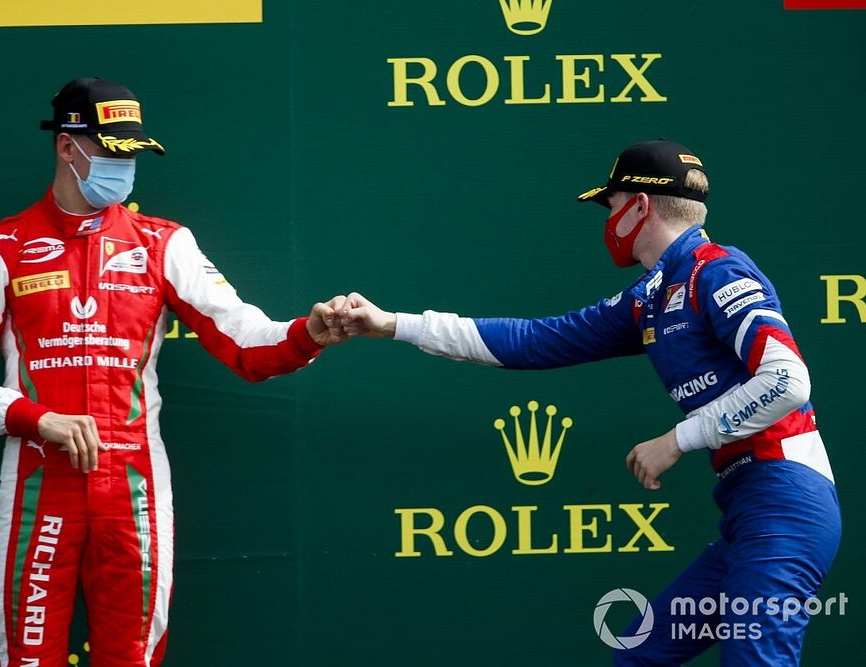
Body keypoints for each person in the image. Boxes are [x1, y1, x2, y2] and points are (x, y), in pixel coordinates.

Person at [338, 140, 841, 665]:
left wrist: (677, 440)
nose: (608, 219)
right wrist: (393, 324)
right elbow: (532, 340)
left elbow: (788, 382)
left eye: (612, 204)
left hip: (786, 500)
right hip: (746, 508)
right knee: (638, 655)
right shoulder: (652, 294)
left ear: (640, 206)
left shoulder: (717, 271)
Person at [0, 77, 348, 666]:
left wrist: (309, 331)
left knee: (133, 658)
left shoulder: (165, 243)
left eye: (131, 151)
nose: (123, 164)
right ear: (66, 146)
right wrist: (37, 418)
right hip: (36, 483)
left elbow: (248, 344)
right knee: (24, 658)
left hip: (134, 485)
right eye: (109, 149)